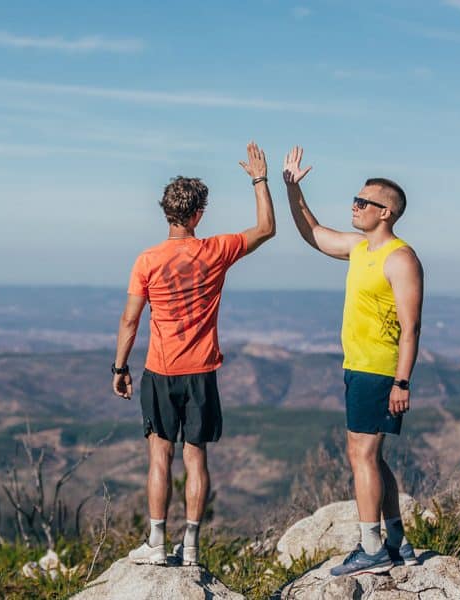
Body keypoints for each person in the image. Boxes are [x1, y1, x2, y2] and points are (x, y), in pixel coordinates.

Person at [111, 142, 275, 566]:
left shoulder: (147, 259)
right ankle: (193, 546)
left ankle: (157, 543)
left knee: (158, 456)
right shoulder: (216, 250)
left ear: (166, 212)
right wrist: (259, 179)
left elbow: (130, 320)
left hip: (160, 370)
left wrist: (119, 367)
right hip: (202, 371)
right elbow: (266, 228)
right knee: (196, 456)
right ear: (198, 214)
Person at [281, 146, 424, 576]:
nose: (354, 206)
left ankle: (372, 548)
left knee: (361, 455)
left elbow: (412, 326)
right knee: (371, 456)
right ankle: (396, 540)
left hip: (378, 370)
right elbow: (314, 233)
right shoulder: (360, 248)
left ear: (386, 212)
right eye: (355, 199)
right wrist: (293, 190)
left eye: (363, 202)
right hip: (358, 367)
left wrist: (402, 382)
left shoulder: (400, 258)